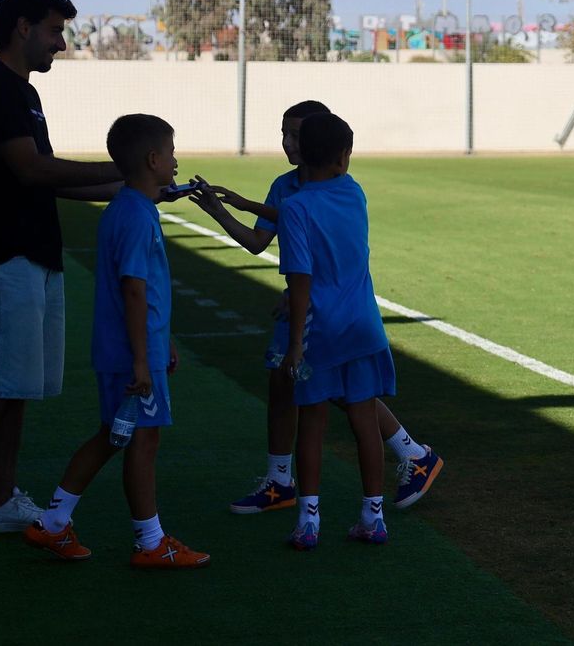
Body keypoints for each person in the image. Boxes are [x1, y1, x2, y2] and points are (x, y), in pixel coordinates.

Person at [189, 100, 442, 514]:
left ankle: (404, 456)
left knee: (333, 391)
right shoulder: (286, 186)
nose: (289, 142)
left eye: (297, 134)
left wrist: (298, 288)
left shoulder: (339, 186)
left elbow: (321, 237)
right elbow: (262, 240)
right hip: (308, 307)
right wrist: (227, 208)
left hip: (318, 311)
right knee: (289, 385)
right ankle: (287, 480)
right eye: (284, 133)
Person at [23, 115, 210, 566]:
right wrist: (143, 359)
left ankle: (52, 524)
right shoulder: (135, 216)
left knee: (112, 435)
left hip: (128, 349)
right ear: (152, 159)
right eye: (170, 151)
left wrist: (158, 342)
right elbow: (133, 288)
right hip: (130, 356)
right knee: (143, 442)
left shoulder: (131, 206)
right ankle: (151, 543)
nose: (175, 159)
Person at [0, 0, 124, 544]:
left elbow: (46, 179)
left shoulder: (23, 93)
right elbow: (33, 170)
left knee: (15, 387)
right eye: (54, 31)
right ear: (22, 27)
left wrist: (135, 187)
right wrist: (122, 165)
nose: (61, 44)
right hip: (5, 257)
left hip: (35, 255)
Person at [279, 112, 400, 549]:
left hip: (320, 331)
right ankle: (373, 516)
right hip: (364, 326)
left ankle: (308, 521)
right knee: (364, 421)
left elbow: (300, 279)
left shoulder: (295, 207)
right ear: (343, 156)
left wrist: (294, 344)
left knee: (311, 423)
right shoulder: (354, 192)